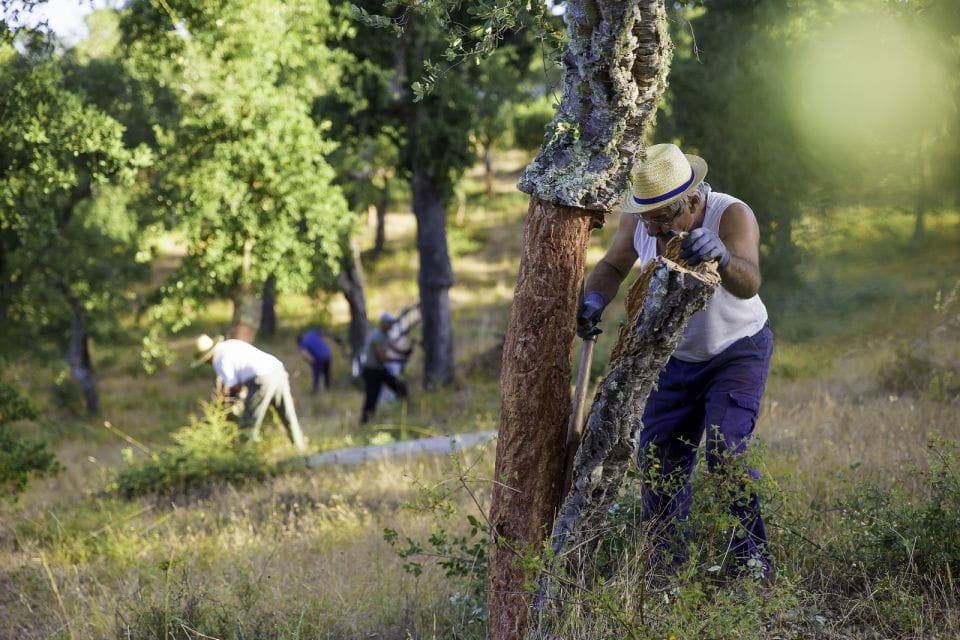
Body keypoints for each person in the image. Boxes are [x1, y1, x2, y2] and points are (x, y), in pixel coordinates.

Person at [576, 143, 773, 579]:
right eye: (650, 220)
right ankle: (666, 573)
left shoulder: (731, 214)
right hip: (672, 356)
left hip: (736, 350)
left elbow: (750, 281)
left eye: (666, 221)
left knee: (727, 451)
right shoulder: (643, 218)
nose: (657, 233)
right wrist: (593, 299)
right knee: (659, 460)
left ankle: (752, 563)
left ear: (695, 202)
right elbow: (612, 263)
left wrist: (721, 255)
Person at [193, 334, 306, 451]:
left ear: (207, 357)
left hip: (261, 378)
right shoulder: (230, 344)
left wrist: (226, 406)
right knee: (287, 414)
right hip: (277, 369)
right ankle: (300, 447)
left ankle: (247, 456)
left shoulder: (218, 359)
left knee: (249, 422)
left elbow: (232, 386)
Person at [360, 312, 409, 424]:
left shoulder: (385, 334)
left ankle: (405, 411)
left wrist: (404, 352)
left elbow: (393, 346)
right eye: (389, 323)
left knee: (400, 387)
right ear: (383, 323)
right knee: (371, 397)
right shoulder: (376, 337)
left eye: (392, 323)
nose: (392, 326)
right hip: (371, 371)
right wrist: (398, 360)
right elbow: (382, 357)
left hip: (379, 369)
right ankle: (365, 421)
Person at [297, 328, 332, 393]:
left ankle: (315, 390)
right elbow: (323, 333)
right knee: (327, 373)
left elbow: (304, 355)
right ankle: (328, 387)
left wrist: (312, 362)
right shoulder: (312, 333)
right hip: (328, 354)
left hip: (319, 357)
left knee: (316, 374)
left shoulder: (302, 343)